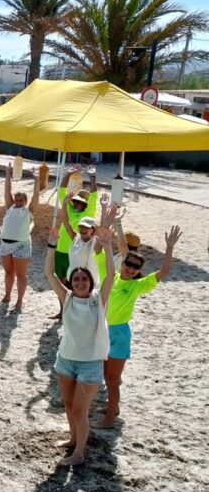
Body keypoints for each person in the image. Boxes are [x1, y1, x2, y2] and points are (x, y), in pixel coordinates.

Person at [92, 225, 182, 429]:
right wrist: (106, 242)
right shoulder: (111, 277)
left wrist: (169, 247)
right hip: (104, 330)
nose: (131, 269)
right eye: (129, 264)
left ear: (139, 270)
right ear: (122, 262)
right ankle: (113, 408)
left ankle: (109, 419)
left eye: (135, 267)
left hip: (119, 333)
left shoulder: (137, 285)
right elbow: (98, 254)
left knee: (113, 379)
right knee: (107, 375)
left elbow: (164, 270)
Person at [44, 219, 114, 466]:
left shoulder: (98, 301)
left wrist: (106, 247)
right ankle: (73, 440)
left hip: (90, 364)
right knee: (68, 404)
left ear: (90, 282)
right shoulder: (69, 299)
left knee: (79, 410)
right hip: (66, 360)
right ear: (71, 283)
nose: (81, 282)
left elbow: (111, 275)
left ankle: (79, 454)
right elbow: (49, 273)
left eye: (84, 279)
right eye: (76, 280)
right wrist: (52, 245)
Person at [52, 166, 98, 318]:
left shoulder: (89, 213)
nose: (78, 204)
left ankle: (74, 309)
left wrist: (92, 178)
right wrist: (68, 174)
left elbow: (94, 196)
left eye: (81, 203)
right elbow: (62, 191)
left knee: (74, 283)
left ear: (85, 204)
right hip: (60, 250)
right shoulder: (69, 209)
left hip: (75, 251)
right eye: (76, 202)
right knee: (60, 282)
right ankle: (62, 310)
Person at [0, 163, 40, 311]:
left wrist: (36, 180)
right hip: (5, 244)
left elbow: (36, 196)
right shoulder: (10, 207)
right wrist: (8, 174)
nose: (17, 202)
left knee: (21, 274)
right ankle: (8, 295)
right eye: (16, 199)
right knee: (8, 272)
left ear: (25, 201)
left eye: (21, 200)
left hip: (22, 244)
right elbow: (7, 190)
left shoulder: (28, 211)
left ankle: (20, 300)